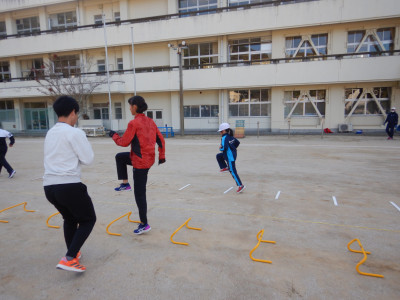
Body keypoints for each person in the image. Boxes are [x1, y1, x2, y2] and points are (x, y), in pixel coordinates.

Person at [43, 95, 96, 273]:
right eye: (77, 114)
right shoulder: (74, 132)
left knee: (70, 219)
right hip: (69, 185)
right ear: (73, 112)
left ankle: (73, 253)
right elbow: (88, 159)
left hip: (49, 187)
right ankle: (69, 258)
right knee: (88, 219)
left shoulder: (50, 132)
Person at [109, 95, 165, 235]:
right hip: (146, 158)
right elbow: (161, 140)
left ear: (135, 107)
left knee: (140, 194)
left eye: (130, 105)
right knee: (120, 157)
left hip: (140, 163)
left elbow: (123, 142)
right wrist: (162, 156)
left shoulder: (134, 123)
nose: (129, 108)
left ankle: (144, 224)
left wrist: (113, 135)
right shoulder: (150, 121)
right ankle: (125, 183)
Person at [216, 122, 245, 193]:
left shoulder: (224, 138)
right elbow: (237, 143)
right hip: (232, 155)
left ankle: (240, 185)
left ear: (223, 131)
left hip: (230, 157)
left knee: (233, 172)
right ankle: (224, 167)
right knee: (219, 156)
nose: (220, 133)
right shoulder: (230, 136)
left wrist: (220, 148)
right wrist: (233, 148)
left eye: (220, 131)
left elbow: (224, 148)